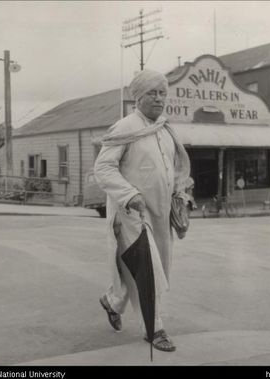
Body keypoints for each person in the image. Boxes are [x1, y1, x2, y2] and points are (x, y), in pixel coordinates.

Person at [94, 69, 190, 352]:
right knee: (148, 272)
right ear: (138, 97)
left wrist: (180, 195)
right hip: (132, 214)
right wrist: (130, 194)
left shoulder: (165, 129)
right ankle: (155, 329)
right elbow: (103, 168)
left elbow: (174, 169)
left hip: (160, 215)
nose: (159, 99)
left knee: (147, 270)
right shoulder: (125, 127)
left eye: (162, 92)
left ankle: (112, 301)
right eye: (152, 93)